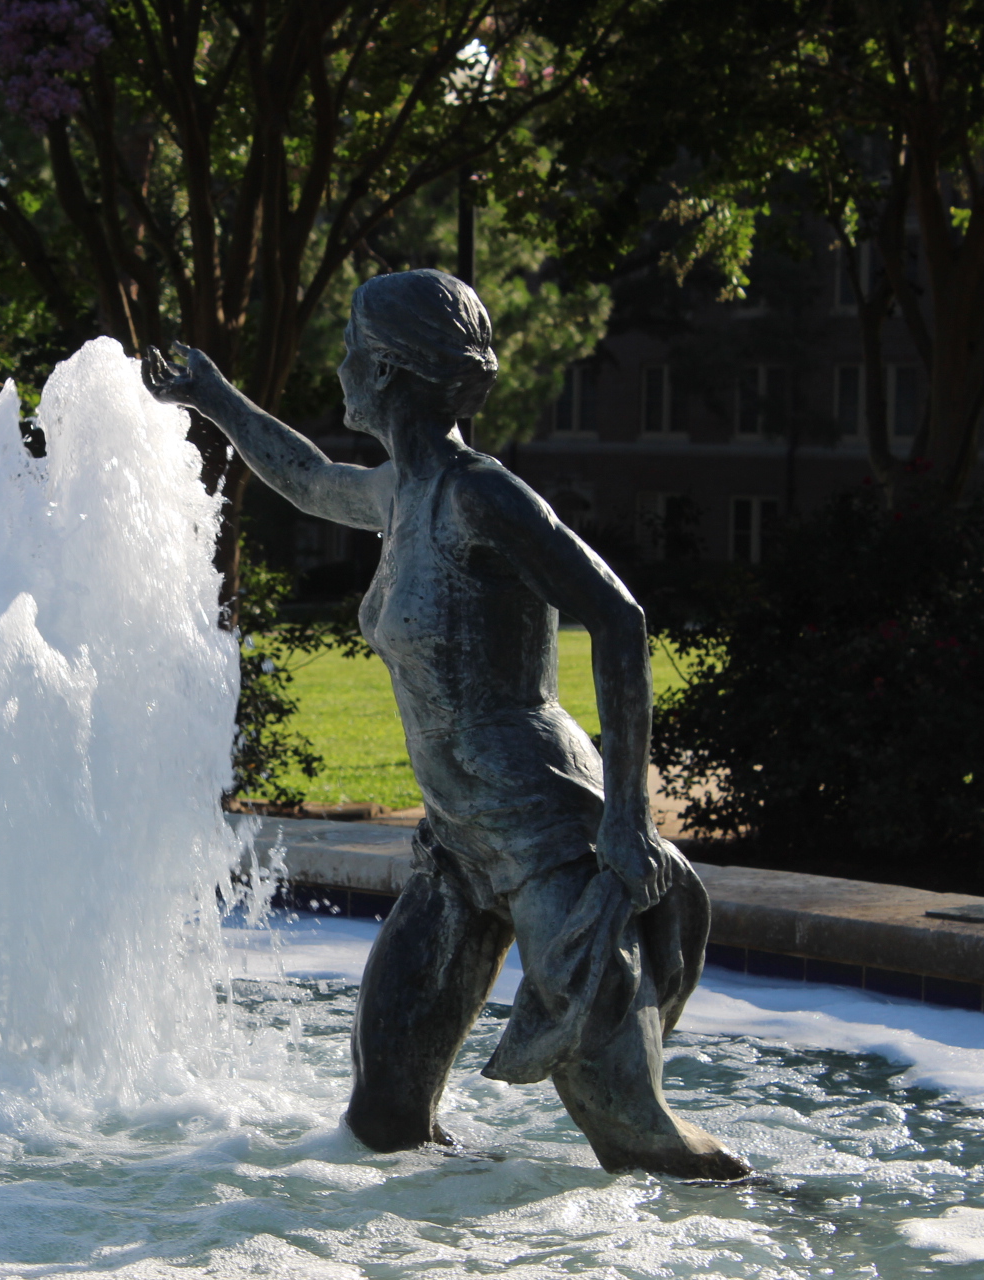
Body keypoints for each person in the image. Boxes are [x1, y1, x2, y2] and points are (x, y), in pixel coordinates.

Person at [142, 269, 749, 1181]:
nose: (339, 365)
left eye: (351, 348)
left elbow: (619, 620)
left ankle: (813, 1232)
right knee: (386, 1115)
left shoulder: (481, 496)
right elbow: (306, 478)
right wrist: (209, 392)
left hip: (549, 837)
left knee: (638, 1137)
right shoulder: (400, 493)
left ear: (386, 371)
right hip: (458, 849)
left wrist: (628, 817)